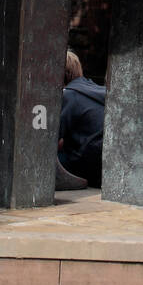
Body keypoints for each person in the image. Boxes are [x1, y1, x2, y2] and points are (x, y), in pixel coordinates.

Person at [57, 50, 105, 188]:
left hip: (85, 162)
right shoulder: (94, 89)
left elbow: (49, 141)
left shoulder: (69, 95)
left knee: (40, 162)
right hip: (104, 163)